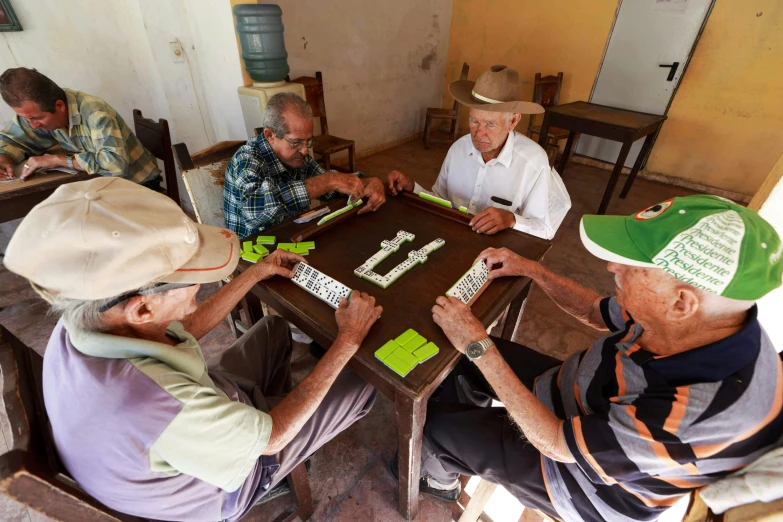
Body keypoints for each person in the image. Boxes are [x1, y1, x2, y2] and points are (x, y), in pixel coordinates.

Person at [3, 177, 381, 522]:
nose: (200, 297)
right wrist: (347, 339)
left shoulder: (82, 320)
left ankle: (270, 410)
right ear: (143, 308)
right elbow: (271, 439)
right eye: (196, 287)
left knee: (273, 328)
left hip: (195, 422)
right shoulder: (151, 403)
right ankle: (275, 467)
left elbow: (182, 329)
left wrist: (256, 272)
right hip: (225, 482)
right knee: (366, 378)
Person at [393, 195, 783, 522]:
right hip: (573, 394)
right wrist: (531, 269)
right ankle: (471, 427)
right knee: (456, 360)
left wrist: (479, 344)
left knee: (434, 425)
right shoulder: (697, 318)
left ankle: (439, 480)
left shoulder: (696, 417)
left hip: (579, 479)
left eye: (632, 266)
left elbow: (557, 445)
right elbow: (598, 312)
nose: (613, 267)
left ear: (682, 302)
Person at [388, 65, 571, 240]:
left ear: (513, 121)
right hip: (452, 237)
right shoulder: (458, 149)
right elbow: (442, 201)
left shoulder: (533, 162)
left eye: (490, 124)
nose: (478, 133)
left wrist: (511, 219)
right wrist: (414, 188)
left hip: (499, 250)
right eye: (474, 121)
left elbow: (544, 229)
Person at [224, 92, 387, 237]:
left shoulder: (297, 155)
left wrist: (369, 182)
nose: (305, 151)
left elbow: (332, 187)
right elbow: (254, 210)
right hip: (254, 252)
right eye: (296, 142)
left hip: (292, 234)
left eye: (308, 141)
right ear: (270, 135)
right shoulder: (247, 159)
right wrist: (329, 181)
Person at [0, 67, 161, 187]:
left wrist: (56, 160)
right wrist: (4, 157)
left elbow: (115, 164)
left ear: (60, 106)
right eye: (26, 119)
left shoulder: (95, 112)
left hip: (138, 184)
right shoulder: (39, 111)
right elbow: (11, 140)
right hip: (104, 184)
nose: (33, 126)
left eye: (37, 119)